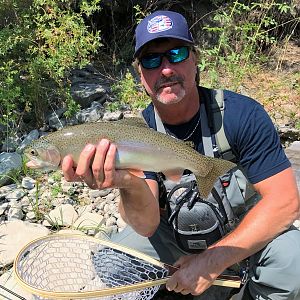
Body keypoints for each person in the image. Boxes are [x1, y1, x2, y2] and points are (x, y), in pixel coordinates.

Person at [62, 10, 300, 300]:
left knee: (294, 262)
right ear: (141, 75)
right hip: (177, 242)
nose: (165, 69)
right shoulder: (138, 133)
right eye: (151, 60)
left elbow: (285, 202)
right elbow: (146, 225)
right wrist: (126, 182)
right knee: (115, 264)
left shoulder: (241, 115)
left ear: (195, 59)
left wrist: (210, 263)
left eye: (176, 54)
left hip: (242, 240)